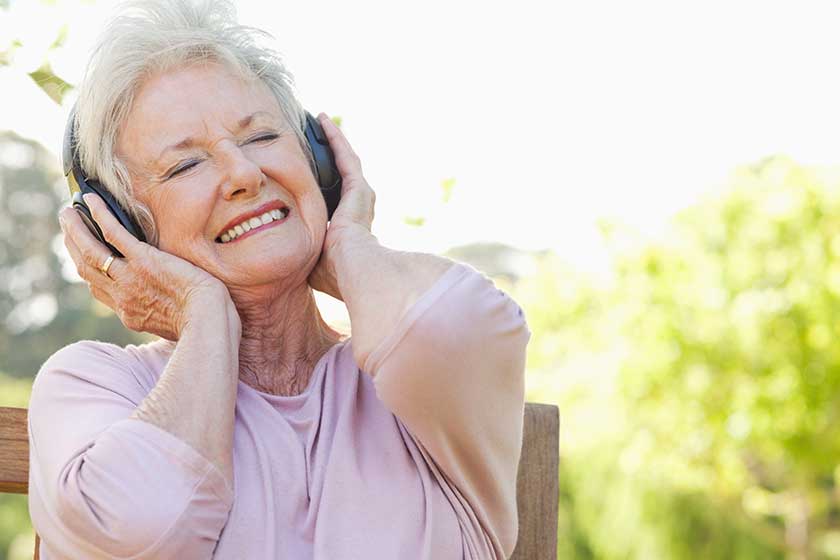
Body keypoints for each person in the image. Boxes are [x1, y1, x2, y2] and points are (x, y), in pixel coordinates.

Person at [27, 0, 531, 558]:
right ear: (119, 227)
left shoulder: (416, 378)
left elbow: (457, 327)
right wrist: (204, 314)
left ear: (319, 165)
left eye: (262, 138)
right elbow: (140, 527)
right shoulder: (93, 384)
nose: (244, 174)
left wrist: (346, 244)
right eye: (185, 165)